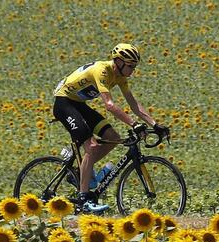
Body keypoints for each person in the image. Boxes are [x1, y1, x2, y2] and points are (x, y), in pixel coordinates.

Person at [53, 43, 167, 213]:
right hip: (64, 103)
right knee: (91, 147)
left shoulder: (120, 77)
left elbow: (134, 104)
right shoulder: (103, 70)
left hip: (79, 104)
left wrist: (155, 124)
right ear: (118, 62)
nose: (132, 70)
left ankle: (81, 172)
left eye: (134, 66)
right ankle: (83, 200)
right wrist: (134, 124)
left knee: (113, 137)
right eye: (130, 66)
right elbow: (109, 105)